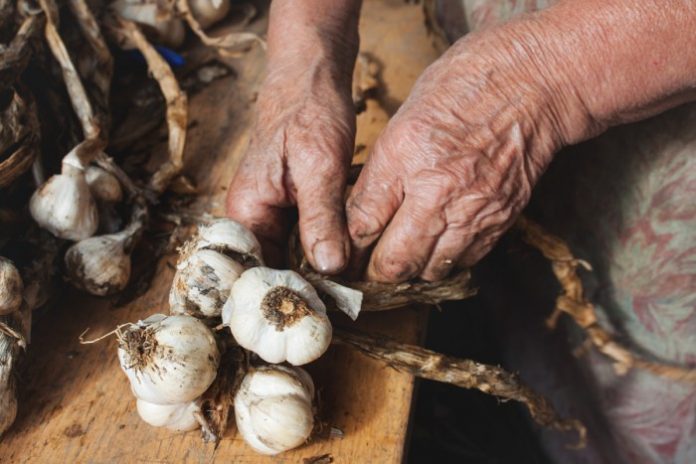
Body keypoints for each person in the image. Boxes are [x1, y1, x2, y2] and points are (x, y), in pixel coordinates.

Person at [226, 1, 696, 462]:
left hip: (663, 200)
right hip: (469, 130)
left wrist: (546, 72)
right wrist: (303, 59)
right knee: (527, 351)